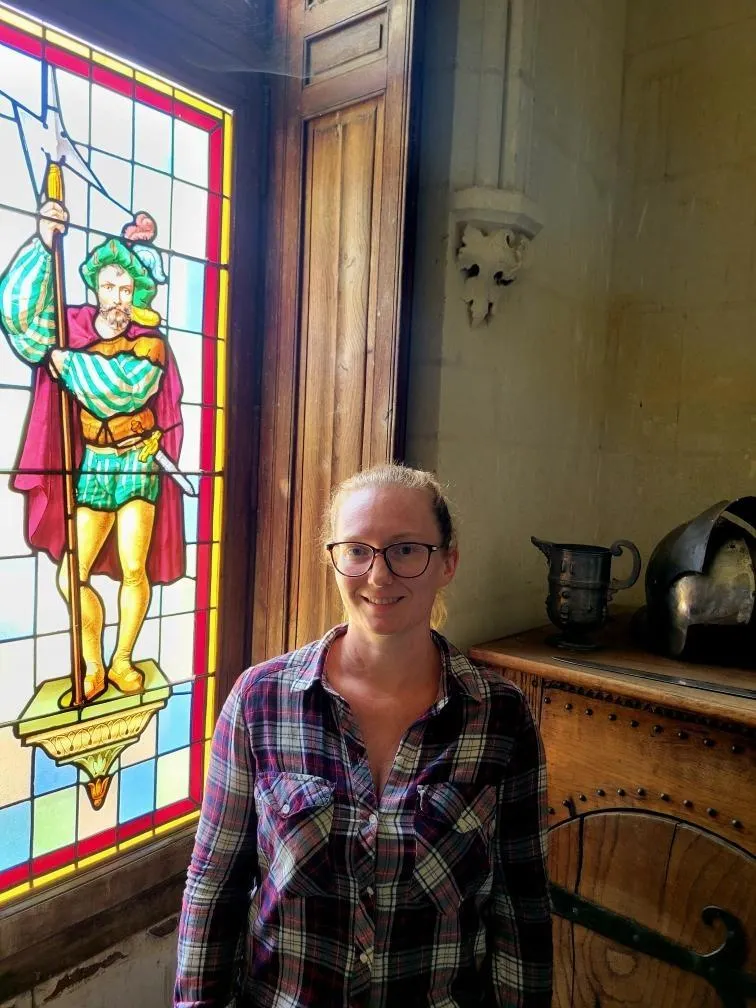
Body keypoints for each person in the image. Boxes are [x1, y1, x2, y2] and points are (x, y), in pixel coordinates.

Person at [175, 463, 553, 1007]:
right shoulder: (260, 701)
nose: (378, 576)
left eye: (406, 550)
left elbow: (521, 906)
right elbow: (214, 887)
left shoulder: (500, 717)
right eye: (357, 550)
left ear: (447, 562)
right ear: (333, 559)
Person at [0, 202, 185, 701]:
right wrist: (44, 243)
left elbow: (121, 390)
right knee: (71, 575)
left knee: (133, 567)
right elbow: (20, 318)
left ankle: (122, 659)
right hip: (96, 464)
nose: (117, 298)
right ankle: (94, 664)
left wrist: (69, 363)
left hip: (136, 462)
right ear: (95, 286)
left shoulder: (149, 343)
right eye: (108, 286)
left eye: (126, 289)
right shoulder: (72, 326)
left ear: (138, 293)